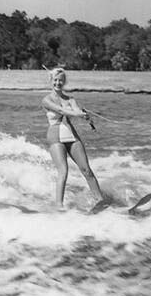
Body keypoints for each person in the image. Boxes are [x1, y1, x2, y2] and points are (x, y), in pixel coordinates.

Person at [41, 68, 108, 209]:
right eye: (55, 80)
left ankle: (100, 201)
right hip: (55, 137)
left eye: (61, 80)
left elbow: (75, 109)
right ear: (50, 81)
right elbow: (60, 111)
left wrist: (84, 115)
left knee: (87, 170)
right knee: (63, 171)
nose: (58, 83)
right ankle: (59, 205)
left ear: (64, 82)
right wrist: (77, 113)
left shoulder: (70, 99)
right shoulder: (46, 100)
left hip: (71, 135)